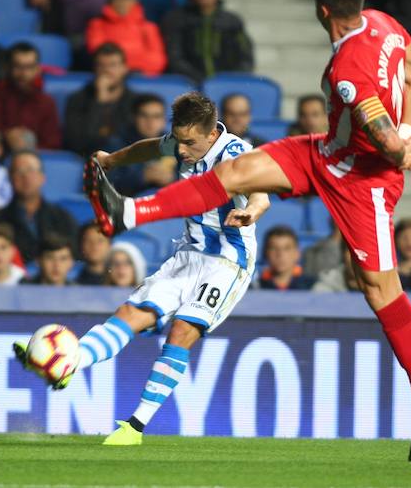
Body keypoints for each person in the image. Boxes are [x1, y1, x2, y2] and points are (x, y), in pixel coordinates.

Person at [86, 0, 411, 460]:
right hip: (324, 153)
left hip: (364, 182)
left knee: (379, 289)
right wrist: (408, 134)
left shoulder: (348, 71)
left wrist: (400, 150)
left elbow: (382, 139)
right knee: (232, 174)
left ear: (321, 9)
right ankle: (129, 212)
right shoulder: (386, 25)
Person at [21, 92, 270, 445]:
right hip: (188, 256)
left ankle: (134, 427)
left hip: (228, 263)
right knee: (129, 314)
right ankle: (69, 363)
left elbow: (262, 194)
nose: (181, 151)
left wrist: (253, 212)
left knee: (182, 330)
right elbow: (150, 148)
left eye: (189, 143)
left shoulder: (238, 155)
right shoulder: (182, 142)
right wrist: (111, 160)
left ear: (212, 134)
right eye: (179, 141)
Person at [161, 0, 254, 84]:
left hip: (227, 87)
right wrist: (204, 83)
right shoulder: (175, 18)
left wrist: (227, 82)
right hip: (187, 86)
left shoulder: (232, 21)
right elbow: (175, 59)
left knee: (238, 103)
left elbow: (245, 59)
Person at [0, 150, 78, 262]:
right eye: (19, 172)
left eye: (31, 170)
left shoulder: (63, 218)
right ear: (10, 178)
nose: (26, 177)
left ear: (42, 178)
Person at [0, 42, 62, 150]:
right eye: (18, 66)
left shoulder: (47, 102)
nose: (24, 73)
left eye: (29, 67)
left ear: (38, 69)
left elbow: (52, 143)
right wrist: (5, 137)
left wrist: (30, 150)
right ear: (8, 67)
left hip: (36, 161)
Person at [64, 43, 138, 157]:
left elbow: (131, 140)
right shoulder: (77, 100)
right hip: (88, 159)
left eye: (113, 65)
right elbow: (76, 143)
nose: (107, 71)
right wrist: (99, 103)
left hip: (125, 162)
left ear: (125, 68)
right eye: (101, 65)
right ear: (94, 68)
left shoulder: (135, 101)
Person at [86, 0, 167, 76]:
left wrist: (128, 69)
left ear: (135, 1)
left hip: (141, 78)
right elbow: (100, 56)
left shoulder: (149, 27)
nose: (122, 2)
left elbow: (157, 60)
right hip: (108, 76)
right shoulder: (97, 25)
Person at [113, 94, 177, 196]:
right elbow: (107, 182)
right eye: (144, 115)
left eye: (156, 116)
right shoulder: (116, 144)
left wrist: (172, 178)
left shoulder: (176, 145)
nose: (150, 122)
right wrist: (142, 177)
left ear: (164, 121)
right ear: (134, 118)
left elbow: (194, 178)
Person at [256, 225, 315, 290]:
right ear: (265, 253)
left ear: (297, 254)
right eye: (274, 248)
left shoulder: (314, 288)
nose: (280, 254)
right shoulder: (253, 288)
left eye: (287, 248)